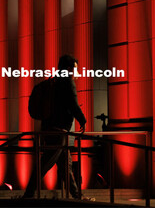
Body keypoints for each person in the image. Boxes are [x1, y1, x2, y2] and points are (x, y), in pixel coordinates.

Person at [22, 55, 92, 200]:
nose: (76, 73)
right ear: (68, 69)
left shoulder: (53, 82)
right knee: (44, 165)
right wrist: (83, 120)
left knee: (66, 166)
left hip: (50, 129)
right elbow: (73, 104)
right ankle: (28, 194)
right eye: (75, 69)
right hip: (59, 131)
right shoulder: (67, 82)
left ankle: (77, 195)